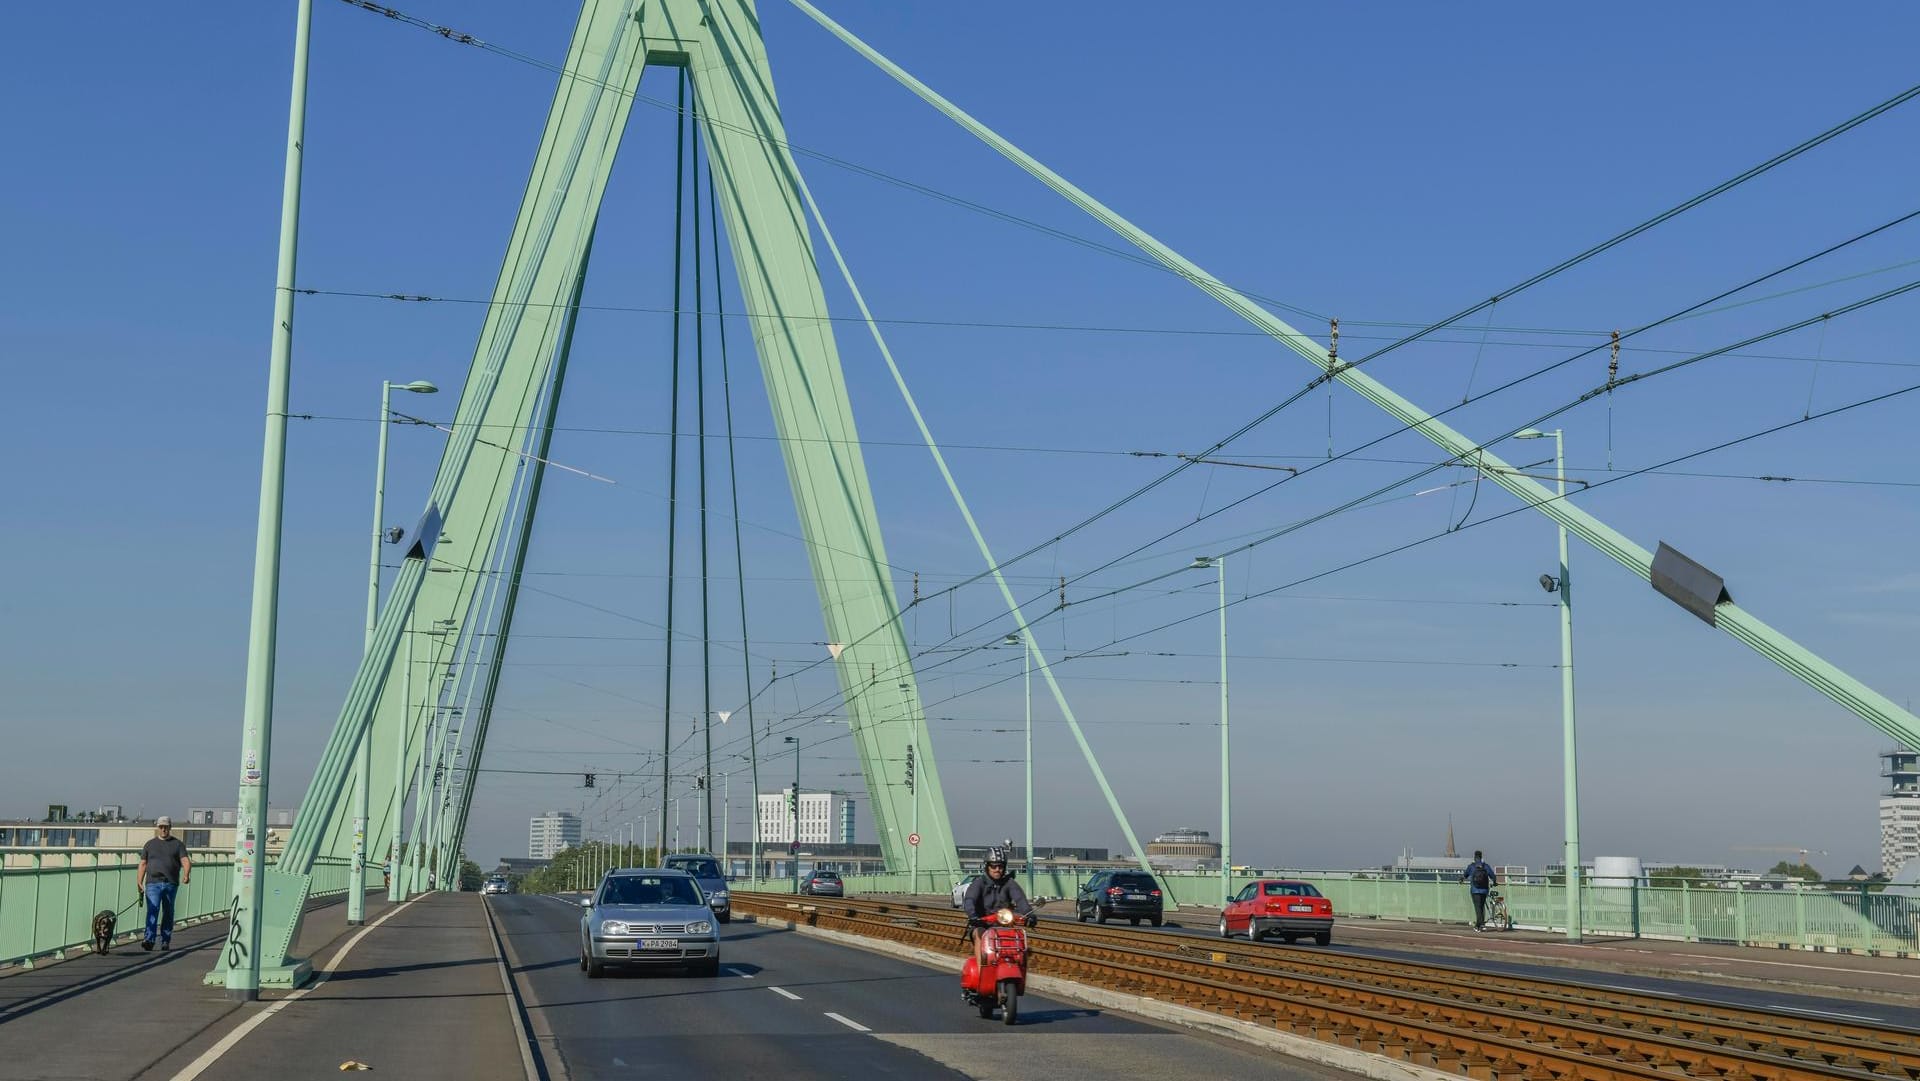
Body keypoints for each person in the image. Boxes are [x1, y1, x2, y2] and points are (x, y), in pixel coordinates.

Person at [962, 847, 1035, 970]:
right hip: (982, 925)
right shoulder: (979, 883)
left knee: (1019, 939)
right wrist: (973, 915)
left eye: (1000, 866)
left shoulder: (1009, 883)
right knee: (980, 935)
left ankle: (1017, 969)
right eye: (993, 866)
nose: (997, 869)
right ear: (987, 867)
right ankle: (982, 971)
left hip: (1003, 925)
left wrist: (1030, 915)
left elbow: (1021, 900)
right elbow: (969, 900)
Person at [136, 816, 191, 951]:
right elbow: (143, 863)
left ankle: (165, 940)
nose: (163, 829)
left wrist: (186, 874)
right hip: (152, 883)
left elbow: (185, 860)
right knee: (153, 909)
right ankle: (149, 939)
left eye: (166, 827)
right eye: (161, 827)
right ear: (158, 828)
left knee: (168, 911)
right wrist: (139, 881)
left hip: (170, 883)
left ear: (170, 827)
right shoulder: (150, 844)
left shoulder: (177, 844)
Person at [1460, 849, 1497, 931]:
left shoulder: (1471, 866)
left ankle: (1479, 925)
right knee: (1482, 906)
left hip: (1475, 890)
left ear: (1474, 857)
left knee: (1477, 907)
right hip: (1484, 889)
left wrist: (1461, 879)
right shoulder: (1485, 866)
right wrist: (1494, 882)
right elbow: (1492, 875)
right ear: (1481, 857)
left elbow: (1465, 875)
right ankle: (1481, 925)